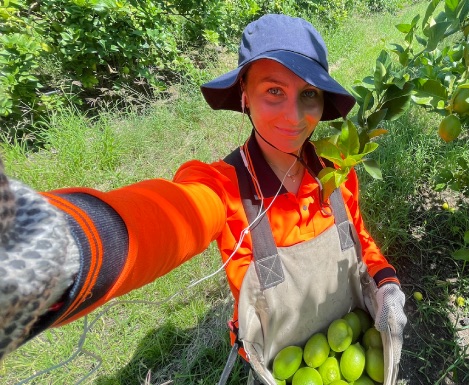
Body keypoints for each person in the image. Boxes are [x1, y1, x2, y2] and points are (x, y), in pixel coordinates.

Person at [0, 14, 407, 384]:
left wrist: (385, 282)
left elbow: (359, 242)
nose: (294, 117)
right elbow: (172, 215)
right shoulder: (224, 185)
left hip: (344, 333)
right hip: (278, 359)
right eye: (274, 91)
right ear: (244, 94)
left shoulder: (335, 171)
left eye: (309, 95)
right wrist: (63, 250)